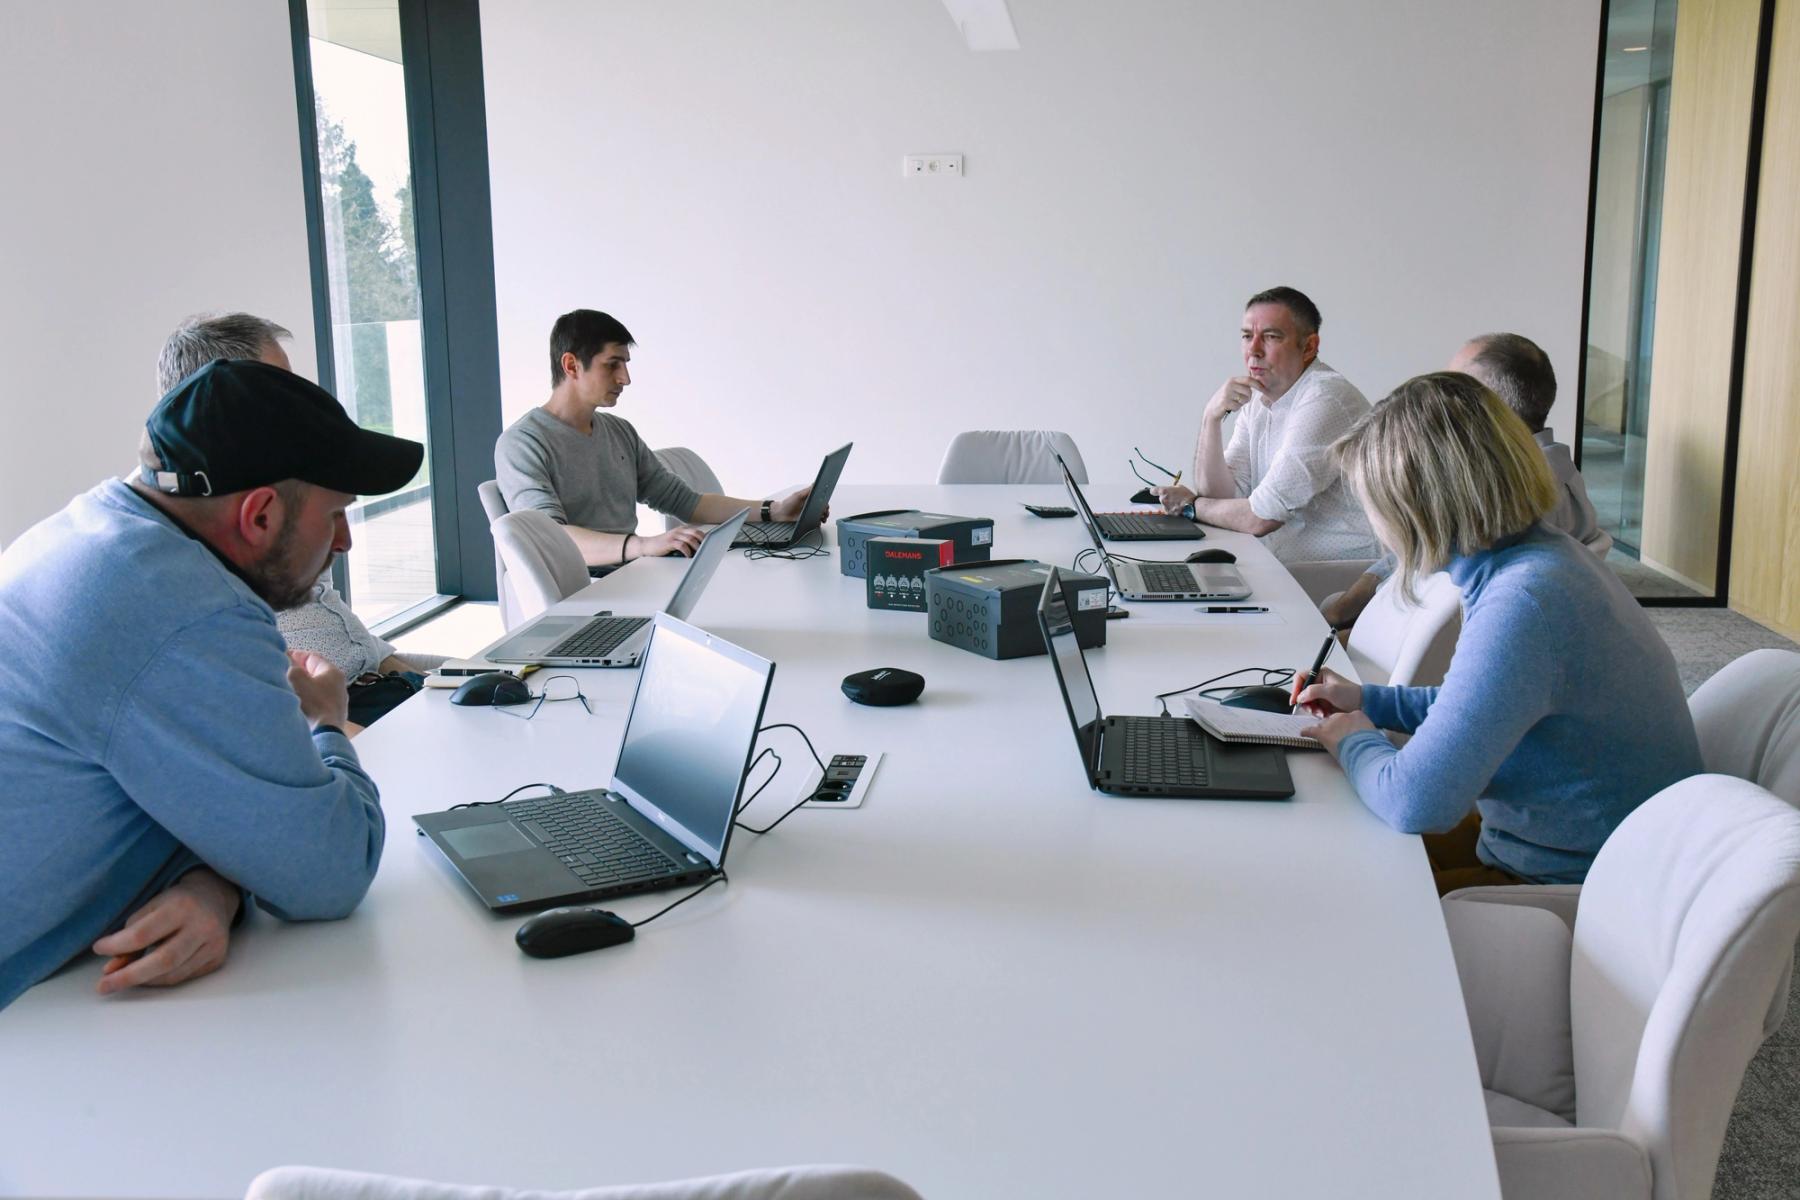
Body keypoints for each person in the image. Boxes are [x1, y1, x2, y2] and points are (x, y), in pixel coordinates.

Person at [0, 359, 423, 1008]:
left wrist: (214, 885)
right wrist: (326, 723)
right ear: (260, 515)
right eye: (337, 513)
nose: (344, 542)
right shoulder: (183, 608)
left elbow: (180, 803)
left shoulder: (84, 532)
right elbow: (333, 868)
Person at [1293, 372, 1701, 894]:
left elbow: (1414, 802)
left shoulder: (1524, 600)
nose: (1375, 523)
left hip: (1577, 886)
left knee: (1334, 883)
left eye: (1372, 503)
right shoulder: (1544, 557)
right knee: (1333, 845)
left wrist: (1353, 739)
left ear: (1417, 505)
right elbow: (1483, 702)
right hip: (1564, 846)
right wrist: (1367, 701)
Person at [158, 312, 431, 730]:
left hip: (374, 690)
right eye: (279, 384)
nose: (344, 542)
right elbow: (296, 729)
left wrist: (436, 687)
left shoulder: (283, 503)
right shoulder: (195, 586)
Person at [1321, 332, 1606, 630]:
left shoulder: (1519, 494)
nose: (1435, 398)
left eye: (1452, 388)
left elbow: (1442, 615)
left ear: (1487, 405)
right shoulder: (1510, 472)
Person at [495, 309, 815, 569]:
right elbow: (551, 539)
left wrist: (774, 511)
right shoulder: (523, 444)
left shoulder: (619, 432)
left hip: (633, 573)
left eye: (625, 364)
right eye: (612, 365)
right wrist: (643, 546)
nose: (625, 379)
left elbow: (687, 503)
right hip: (589, 587)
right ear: (571, 365)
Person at [1152, 287, 1378, 563]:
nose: (1254, 350)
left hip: (1342, 573)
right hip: (1283, 565)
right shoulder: (1258, 400)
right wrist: (1211, 417)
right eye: (1247, 336)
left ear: (1309, 347)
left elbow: (1260, 518)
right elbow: (1222, 496)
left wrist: (1191, 506)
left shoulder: (1325, 398)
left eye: (1271, 337)